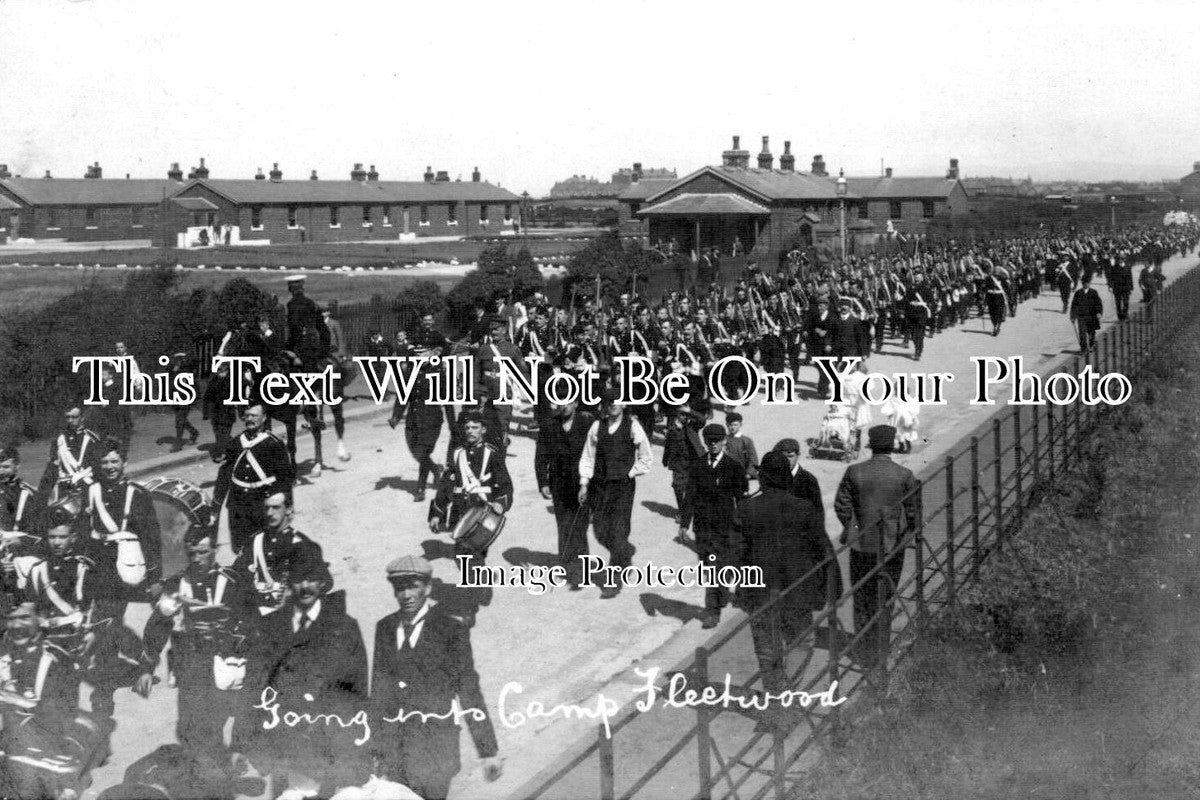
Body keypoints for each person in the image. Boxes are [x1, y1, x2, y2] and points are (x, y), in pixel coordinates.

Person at [232, 544, 368, 796]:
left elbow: (357, 690)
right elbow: (254, 684)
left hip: (326, 742)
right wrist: (241, 742)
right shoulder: (271, 625)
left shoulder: (345, 627)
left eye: (311, 579)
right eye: (298, 579)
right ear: (289, 583)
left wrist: (357, 747)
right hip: (284, 741)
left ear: (322, 582)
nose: (305, 587)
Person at [370, 556, 502, 800]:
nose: (407, 594)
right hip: (396, 750)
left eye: (413, 586)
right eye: (400, 588)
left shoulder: (451, 630)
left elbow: (469, 691)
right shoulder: (385, 628)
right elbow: (378, 691)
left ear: (428, 588)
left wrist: (487, 750)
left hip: (436, 749)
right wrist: (375, 749)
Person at [137, 524, 253, 756]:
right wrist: (147, 669)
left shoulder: (232, 583)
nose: (198, 559)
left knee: (220, 723)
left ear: (215, 550)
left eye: (203, 552)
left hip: (225, 666)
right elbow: (158, 627)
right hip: (189, 666)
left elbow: (251, 624)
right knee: (191, 728)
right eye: (193, 554)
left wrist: (228, 634)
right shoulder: (176, 586)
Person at [737, 451, 835, 696]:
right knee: (801, 643)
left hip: (760, 593)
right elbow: (822, 549)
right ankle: (788, 694)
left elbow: (736, 555)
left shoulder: (747, 508)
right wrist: (829, 588)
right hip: (797, 591)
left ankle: (775, 696)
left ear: (764, 479)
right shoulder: (804, 508)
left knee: (767, 648)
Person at [833, 424, 920, 667]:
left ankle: (863, 649)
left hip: (861, 546)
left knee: (861, 596)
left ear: (871, 446)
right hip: (892, 546)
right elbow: (913, 512)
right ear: (891, 446)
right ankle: (880, 650)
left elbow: (842, 506)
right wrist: (902, 533)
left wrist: (855, 529)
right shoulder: (903, 475)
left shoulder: (854, 471)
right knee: (885, 596)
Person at [579, 388, 653, 598]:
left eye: (616, 401)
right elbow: (588, 456)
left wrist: (630, 473)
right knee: (600, 531)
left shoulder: (633, 425)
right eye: (608, 401)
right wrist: (584, 483)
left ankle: (614, 579)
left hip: (622, 488)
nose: (612, 404)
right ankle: (623, 554)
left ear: (623, 404)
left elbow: (646, 456)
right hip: (599, 487)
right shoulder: (597, 426)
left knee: (619, 531)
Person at [85, 437, 163, 608]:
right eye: (104, 462)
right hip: (100, 568)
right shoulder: (92, 492)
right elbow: (84, 532)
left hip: (129, 565)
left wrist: (154, 577)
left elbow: (151, 539)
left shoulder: (138, 494)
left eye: (114, 461)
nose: (109, 467)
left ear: (124, 462)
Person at [428, 411, 513, 566]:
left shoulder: (492, 454)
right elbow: (446, 486)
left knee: (476, 555)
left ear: (483, 430)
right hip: (459, 512)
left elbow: (505, 485)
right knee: (462, 557)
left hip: (481, 512)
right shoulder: (457, 454)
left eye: (475, 427)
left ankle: (479, 585)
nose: (470, 431)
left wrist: (501, 502)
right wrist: (436, 513)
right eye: (467, 428)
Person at [213, 403, 295, 555]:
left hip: (262, 505)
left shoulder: (274, 444)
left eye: (254, 416)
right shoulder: (236, 442)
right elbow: (224, 475)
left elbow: (285, 479)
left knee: (266, 549)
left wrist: (288, 506)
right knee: (240, 550)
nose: (250, 419)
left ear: (264, 418)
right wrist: (216, 504)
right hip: (237, 506)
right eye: (247, 416)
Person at [689, 425, 748, 629]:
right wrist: (684, 523)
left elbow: (741, 498)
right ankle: (721, 594)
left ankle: (712, 611)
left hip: (725, 527)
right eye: (709, 441)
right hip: (702, 527)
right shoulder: (697, 465)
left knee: (714, 569)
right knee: (710, 567)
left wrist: (744, 523)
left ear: (724, 441)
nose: (713, 444)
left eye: (717, 440)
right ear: (705, 442)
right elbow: (690, 495)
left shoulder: (734, 467)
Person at [534, 398, 593, 590]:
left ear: (576, 404)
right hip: (558, 483)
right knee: (564, 525)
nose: (564, 406)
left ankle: (580, 570)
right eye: (560, 403)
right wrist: (543, 482)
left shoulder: (587, 424)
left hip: (581, 483)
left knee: (580, 526)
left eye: (569, 402)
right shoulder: (549, 425)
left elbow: (595, 454)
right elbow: (541, 455)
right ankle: (567, 565)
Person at [230, 491, 320, 616]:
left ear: (288, 510)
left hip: (289, 617)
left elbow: (324, 582)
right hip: (256, 617)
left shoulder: (302, 543)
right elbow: (236, 575)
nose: (270, 513)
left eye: (276, 507)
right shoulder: (254, 542)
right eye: (266, 508)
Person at [38, 404, 100, 506]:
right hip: (64, 491)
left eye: (74, 417)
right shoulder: (59, 440)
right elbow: (52, 469)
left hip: (87, 490)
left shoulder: (91, 439)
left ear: (82, 418)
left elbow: (98, 469)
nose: (70, 420)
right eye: (68, 417)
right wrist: (41, 498)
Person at [771, 438, 824, 515]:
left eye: (790, 456)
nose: (786, 461)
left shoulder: (809, 481)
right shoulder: (771, 478)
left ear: (798, 455)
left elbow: (818, 512)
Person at [0, 446, 37, 535]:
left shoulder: (27, 494)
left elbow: (35, 531)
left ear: (17, 466)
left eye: (6, 467)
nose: (0, 472)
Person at [168, 352, 200, 452]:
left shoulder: (188, 370)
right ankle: (194, 432)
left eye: (180, 359)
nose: (178, 361)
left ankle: (178, 444)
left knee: (179, 420)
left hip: (185, 399)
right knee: (181, 419)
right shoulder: (172, 370)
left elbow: (194, 386)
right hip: (175, 398)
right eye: (176, 359)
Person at [1069, 274, 1104, 355]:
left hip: (1091, 316)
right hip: (1081, 316)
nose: (1086, 284)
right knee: (1082, 332)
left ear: (1089, 283)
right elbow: (1074, 305)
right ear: (1082, 283)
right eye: (1084, 283)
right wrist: (1073, 316)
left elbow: (1098, 304)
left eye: (1087, 283)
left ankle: (1091, 345)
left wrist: (1099, 312)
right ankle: (1084, 348)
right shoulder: (1078, 293)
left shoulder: (1093, 292)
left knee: (1091, 332)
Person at [722, 412, 759, 481]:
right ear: (726, 425)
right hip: (726, 475)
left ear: (740, 425)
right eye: (730, 425)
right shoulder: (723, 440)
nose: (732, 427)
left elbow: (753, 459)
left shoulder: (746, 441)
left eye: (735, 425)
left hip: (742, 475)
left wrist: (749, 473)